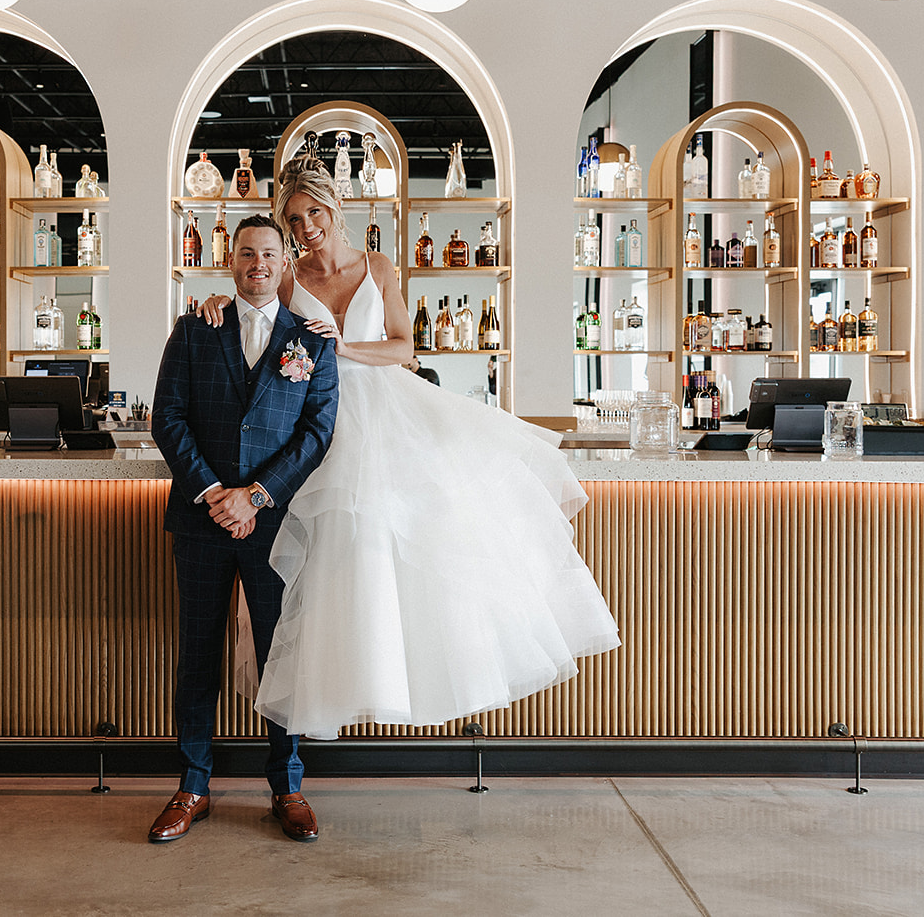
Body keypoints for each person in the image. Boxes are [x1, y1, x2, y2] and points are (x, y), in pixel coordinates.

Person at [202, 157, 620, 742]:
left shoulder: (377, 265)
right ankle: (334, 694)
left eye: (313, 213)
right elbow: (255, 304)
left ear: (335, 207)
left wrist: (344, 348)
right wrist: (217, 302)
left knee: (410, 542)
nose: (304, 229)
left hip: (388, 412)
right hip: (321, 424)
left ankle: (400, 680)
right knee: (333, 559)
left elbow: (405, 349)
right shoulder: (290, 278)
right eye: (293, 219)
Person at [149, 214, 339, 844]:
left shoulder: (311, 343)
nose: (258, 264)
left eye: (269, 254)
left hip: (275, 522)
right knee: (197, 650)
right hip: (202, 519)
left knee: (279, 653)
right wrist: (213, 493)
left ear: (286, 263)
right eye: (247, 253)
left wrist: (255, 496)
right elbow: (168, 418)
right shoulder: (192, 330)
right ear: (230, 261)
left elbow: (317, 433)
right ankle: (193, 784)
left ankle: (287, 786)